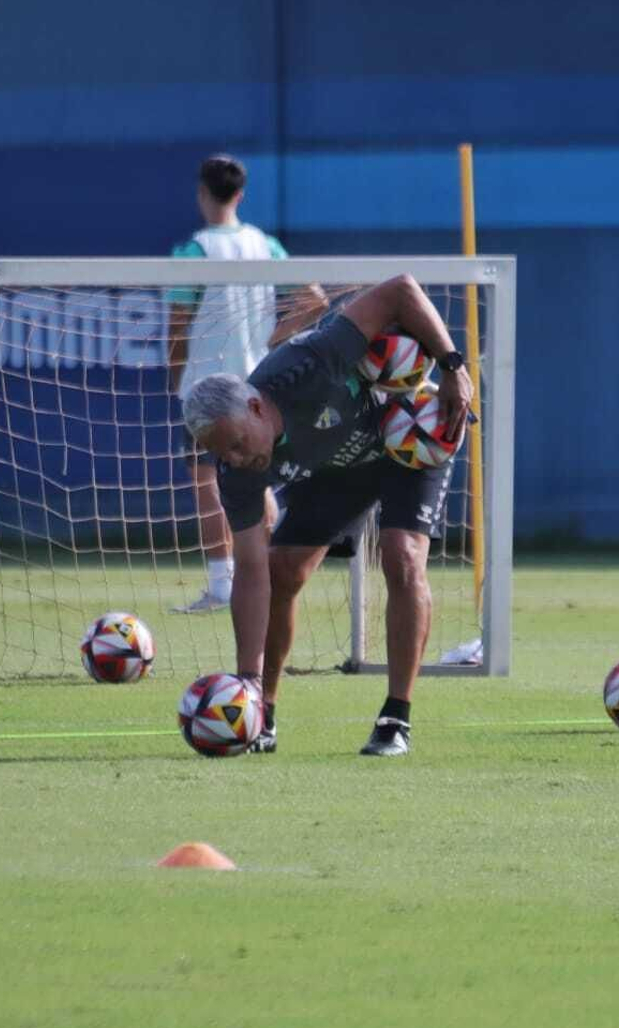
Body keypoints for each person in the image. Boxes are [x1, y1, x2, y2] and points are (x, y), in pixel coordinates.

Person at [184, 274, 473, 756]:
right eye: (222, 453)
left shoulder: (310, 363)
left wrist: (452, 366)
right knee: (281, 571)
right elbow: (250, 571)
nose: (234, 458)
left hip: (411, 433)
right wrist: (246, 679)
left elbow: (401, 289)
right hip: (341, 465)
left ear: (256, 407)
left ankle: (395, 718)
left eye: (236, 443)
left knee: (401, 557)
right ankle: (263, 712)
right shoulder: (237, 472)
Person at [167, 154, 325, 613]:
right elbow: (315, 299)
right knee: (260, 477)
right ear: (240, 194)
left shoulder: (194, 251)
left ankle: (222, 584)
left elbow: (177, 325)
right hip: (257, 386)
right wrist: (274, 338)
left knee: (207, 481)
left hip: (206, 388)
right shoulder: (266, 245)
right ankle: (267, 574)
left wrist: (175, 376)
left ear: (202, 192)